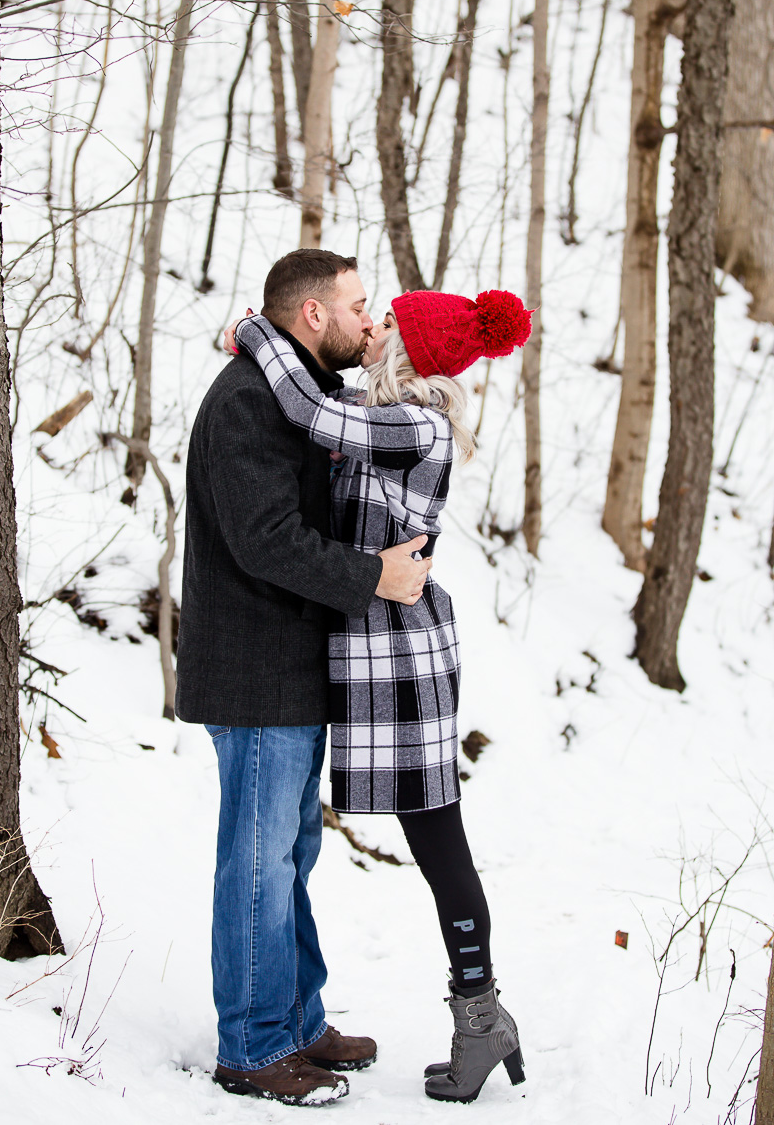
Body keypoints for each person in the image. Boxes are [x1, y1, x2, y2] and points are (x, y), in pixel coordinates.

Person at [230, 284, 532, 1105]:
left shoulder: (417, 421)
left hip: (403, 656)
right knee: (433, 836)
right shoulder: (383, 407)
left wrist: (260, 333)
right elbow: (325, 405)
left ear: (411, 348)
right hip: (384, 644)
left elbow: (313, 412)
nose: (373, 326)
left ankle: (481, 1020)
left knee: (438, 841)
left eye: (386, 320)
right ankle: (483, 1019)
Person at [174, 249, 433, 1107]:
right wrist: (374, 577)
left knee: (291, 855)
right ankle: (251, 1047)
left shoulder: (302, 397)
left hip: (291, 666)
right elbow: (266, 542)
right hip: (254, 671)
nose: (372, 320)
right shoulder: (250, 402)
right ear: (313, 315)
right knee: (256, 861)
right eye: (359, 306)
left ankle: (296, 1017)